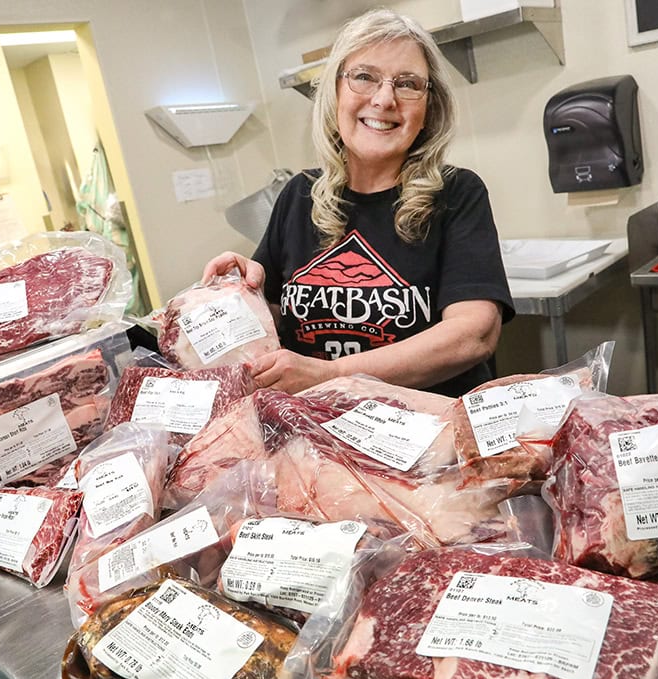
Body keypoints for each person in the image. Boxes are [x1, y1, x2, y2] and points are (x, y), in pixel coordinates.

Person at [204, 8, 513, 397]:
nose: (384, 99)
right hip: (314, 430)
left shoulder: (456, 193)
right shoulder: (299, 195)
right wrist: (240, 291)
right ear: (335, 93)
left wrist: (330, 374)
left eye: (407, 84)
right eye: (364, 77)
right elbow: (269, 323)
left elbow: (474, 334)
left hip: (428, 434)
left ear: (428, 108)